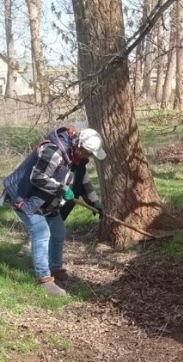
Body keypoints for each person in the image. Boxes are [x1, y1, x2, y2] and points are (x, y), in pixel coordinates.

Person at [1, 125, 105, 297]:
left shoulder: (76, 158)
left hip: (46, 200)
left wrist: (95, 202)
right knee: (41, 233)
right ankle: (44, 280)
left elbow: (83, 181)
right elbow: (37, 177)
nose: (89, 157)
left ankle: (56, 269)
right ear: (78, 145)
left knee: (58, 231)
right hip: (25, 197)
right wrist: (61, 189)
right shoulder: (54, 152)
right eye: (88, 153)